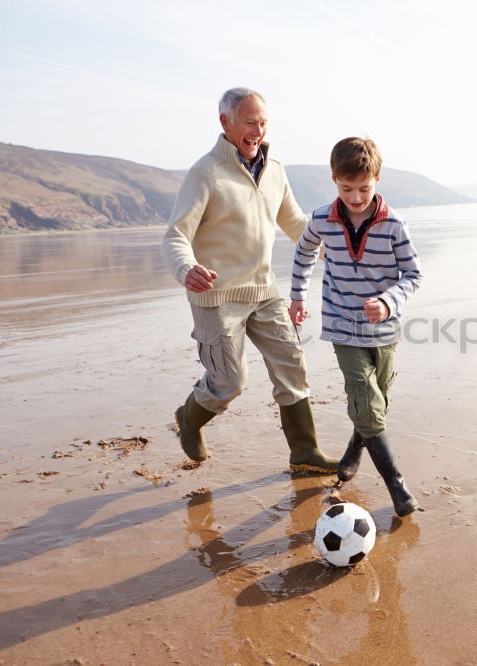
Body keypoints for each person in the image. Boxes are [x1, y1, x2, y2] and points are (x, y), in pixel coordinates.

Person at [161, 87, 338, 473]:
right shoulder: (205, 173)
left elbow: (294, 223)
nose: (257, 131)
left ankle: (305, 450)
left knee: (292, 364)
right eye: (249, 122)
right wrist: (186, 268)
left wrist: (338, 252)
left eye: (262, 122)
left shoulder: (275, 170)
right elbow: (176, 235)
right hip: (217, 296)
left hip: (264, 290)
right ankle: (189, 418)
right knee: (230, 382)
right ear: (225, 123)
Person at [289, 137, 423, 516]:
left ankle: (354, 447)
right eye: (346, 188)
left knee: (378, 399)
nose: (356, 197)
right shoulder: (321, 219)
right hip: (342, 325)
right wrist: (298, 296)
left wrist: (387, 301)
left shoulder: (394, 225)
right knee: (364, 394)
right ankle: (397, 485)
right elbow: (303, 254)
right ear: (334, 180)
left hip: (385, 328)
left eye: (364, 188)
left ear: (377, 179)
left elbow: (413, 274)